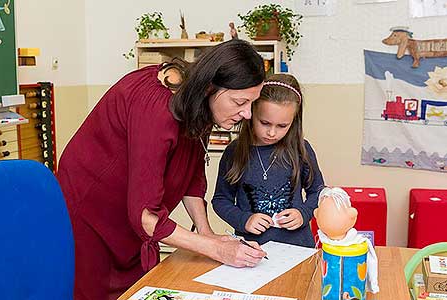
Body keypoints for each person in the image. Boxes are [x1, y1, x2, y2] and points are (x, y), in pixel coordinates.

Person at [57, 39, 268, 300]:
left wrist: (206, 233)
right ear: (211, 87)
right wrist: (213, 248)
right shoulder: (157, 111)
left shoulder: (196, 101)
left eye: (251, 103)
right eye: (239, 102)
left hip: (130, 215)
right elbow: (146, 217)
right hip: (93, 214)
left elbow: (190, 173)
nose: (247, 114)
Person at [212, 74, 325, 248]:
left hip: (298, 248)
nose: (272, 133)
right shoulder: (234, 152)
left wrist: (303, 213)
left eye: (282, 126)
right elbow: (221, 200)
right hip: (252, 250)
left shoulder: (301, 150)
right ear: (251, 112)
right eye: (264, 123)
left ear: (293, 122)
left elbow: (318, 191)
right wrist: (244, 220)